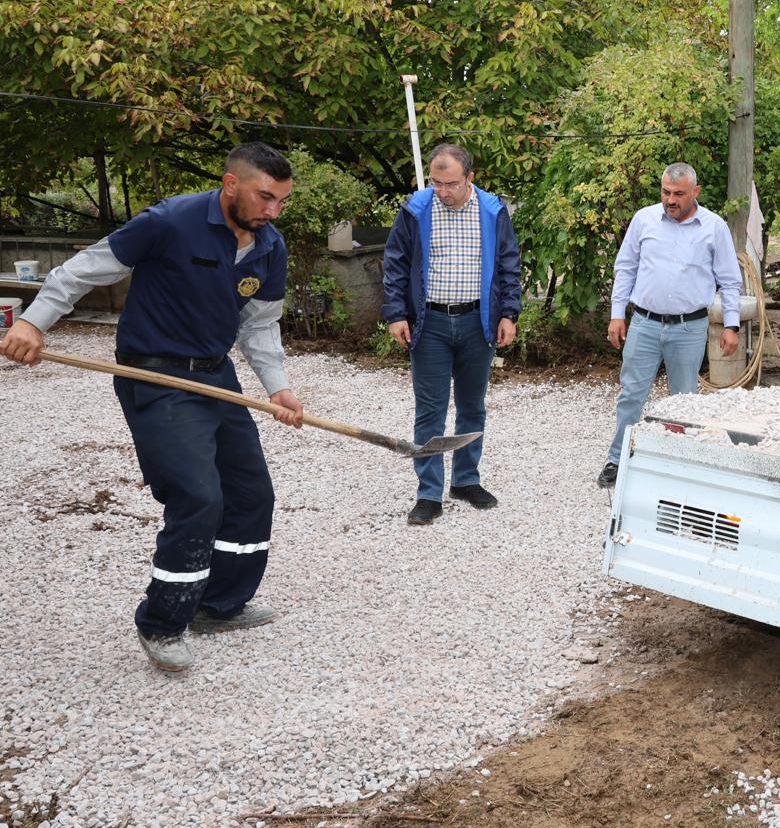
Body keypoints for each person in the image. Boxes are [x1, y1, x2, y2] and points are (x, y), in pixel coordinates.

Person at [0, 143, 306, 673]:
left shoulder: (268, 246)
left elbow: (258, 324)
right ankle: (162, 623)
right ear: (230, 184)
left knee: (251, 491)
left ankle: (219, 605)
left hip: (217, 375)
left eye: (281, 201)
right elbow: (83, 270)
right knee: (197, 495)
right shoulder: (170, 221)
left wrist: (276, 387)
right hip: (156, 375)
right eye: (265, 197)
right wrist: (32, 322)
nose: (273, 211)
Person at [382, 143, 521, 525]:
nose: (442, 191)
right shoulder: (415, 210)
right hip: (431, 325)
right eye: (436, 182)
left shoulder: (493, 211)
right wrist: (396, 314)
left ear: (470, 179)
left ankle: (465, 480)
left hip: (479, 322)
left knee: (473, 405)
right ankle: (429, 492)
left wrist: (508, 313)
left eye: (451, 184)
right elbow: (394, 264)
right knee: (430, 410)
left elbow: (510, 264)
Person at [597, 162, 741, 487]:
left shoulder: (714, 227)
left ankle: (681, 464)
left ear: (695, 192)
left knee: (684, 398)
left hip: (690, 328)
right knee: (632, 393)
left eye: (678, 194)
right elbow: (626, 267)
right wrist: (617, 314)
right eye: (665, 192)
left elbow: (730, 282)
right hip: (644, 323)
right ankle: (618, 460)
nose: (670, 200)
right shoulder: (644, 220)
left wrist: (731, 325)